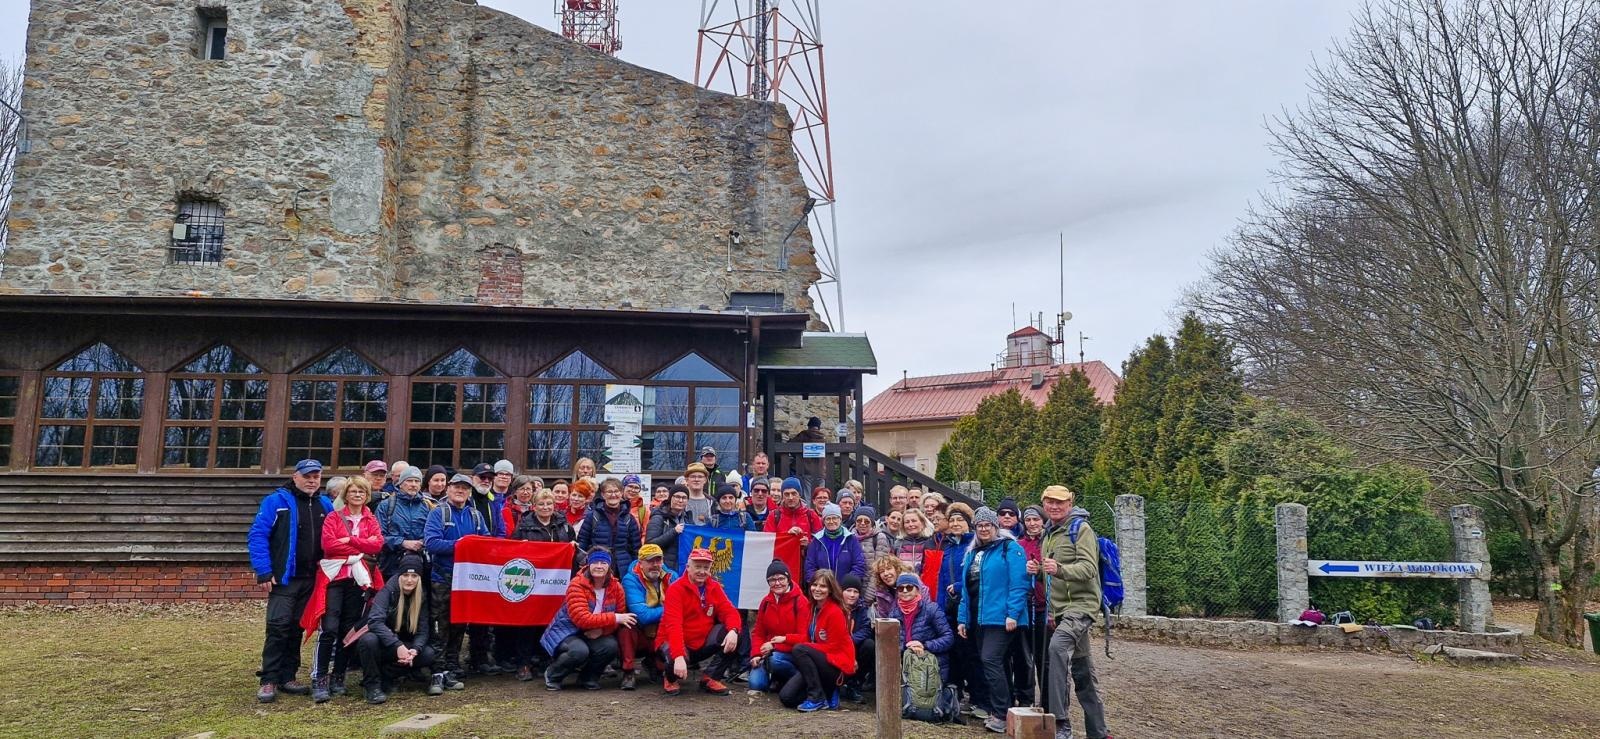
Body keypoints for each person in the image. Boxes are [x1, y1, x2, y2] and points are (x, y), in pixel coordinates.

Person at [248, 458, 332, 703]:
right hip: (285, 579)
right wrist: (263, 570)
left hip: (312, 579)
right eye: (307, 476)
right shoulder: (276, 502)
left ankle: (288, 676)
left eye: (316, 476)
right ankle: (269, 679)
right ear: (295, 476)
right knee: (278, 626)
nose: (312, 481)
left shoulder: (325, 504)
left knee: (298, 627)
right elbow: (258, 535)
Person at [1032, 485, 1109, 739]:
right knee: (1082, 671)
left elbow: (1088, 569)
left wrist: (1060, 569)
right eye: (1050, 502)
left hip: (1082, 606)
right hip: (1061, 611)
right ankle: (1098, 732)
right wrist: (1038, 571)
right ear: (1044, 504)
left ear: (1069, 503)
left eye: (1060, 502)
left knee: (1056, 650)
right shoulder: (1048, 534)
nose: (1055, 507)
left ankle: (1060, 723)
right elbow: (1052, 577)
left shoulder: (1081, 530)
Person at [306, 475, 385, 702]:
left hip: (359, 580)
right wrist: (360, 546)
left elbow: (377, 544)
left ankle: (338, 675)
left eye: (361, 492)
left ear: (366, 495)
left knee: (348, 631)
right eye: (353, 491)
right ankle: (319, 677)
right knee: (329, 627)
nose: (357, 495)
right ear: (346, 495)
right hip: (334, 578)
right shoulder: (333, 517)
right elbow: (328, 546)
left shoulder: (371, 519)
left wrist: (347, 541)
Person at [957, 507, 1031, 732]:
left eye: (987, 525)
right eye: (979, 526)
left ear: (995, 527)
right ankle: (1005, 709)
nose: (983, 529)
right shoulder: (972, 553)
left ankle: (1000, 712)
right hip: (980, 618)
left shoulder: (1010, 548)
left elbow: (1019, 583)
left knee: (990, 659)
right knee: (994, 663)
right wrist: (963, 618)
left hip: (1002, 618)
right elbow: (967, 591)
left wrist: (1013, 613)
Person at [423, 474, 492, 686]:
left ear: (469, 492)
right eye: (456, 487)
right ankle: (439, 667)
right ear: (448, 489)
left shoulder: (476, 516)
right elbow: (432, 543)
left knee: (459, 623)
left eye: (465, 488)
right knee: (440, 625)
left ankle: (453, 664)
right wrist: (461, 546)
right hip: (442, 579)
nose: (460, 491)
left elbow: (486, 541)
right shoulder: (438, 513)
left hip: (466, 581)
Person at [541, 549, 634, 690]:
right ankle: (553, 675)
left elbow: (619, 620)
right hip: (567, 631)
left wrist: (603, 630)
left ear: (609, 566)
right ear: (588, 564)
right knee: (579, 651)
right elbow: (582, 619)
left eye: (603, 563)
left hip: (595, 631)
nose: (599, 566)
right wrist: (615, 617)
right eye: (595, 562)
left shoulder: (617, 587)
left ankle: (588, 678)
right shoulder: (576, 584)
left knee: (610, 646)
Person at [507, 489, 574, 679]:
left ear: (555, 506)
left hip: (555, 583)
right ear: (534, 506)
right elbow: (512, 552)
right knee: (527, 623)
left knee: (551, 622)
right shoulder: (524, 527)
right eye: (542, 504)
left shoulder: (564, 526)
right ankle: (524, 663)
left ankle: (546, 660)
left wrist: (573, 548)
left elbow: (573, 548)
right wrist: (522, 546)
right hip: (530, 583)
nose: (545, 508)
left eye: (549, 504)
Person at [657, 547, 744, 696]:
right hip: (674, 641)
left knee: (735, 635)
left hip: (701, 642)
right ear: (688, 567)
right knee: (674, 659)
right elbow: (673, 625)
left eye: (706, 567)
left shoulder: (714, 587)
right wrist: (678, 656)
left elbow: (729, 611)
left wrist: (734, 630)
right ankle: (670, 678)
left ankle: (710, 677)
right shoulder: (675, 589)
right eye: (697, 567)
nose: (702, 571)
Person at [355, 553, 439, 703]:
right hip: (384, 644)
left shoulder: (422, 596)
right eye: (405, 575)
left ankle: (386, 675)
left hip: (402, 646)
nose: (409, 580)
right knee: (368, 640)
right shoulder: (388, 591)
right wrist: (397, 645)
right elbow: (374, 621)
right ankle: (372, 686)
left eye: (414, 576)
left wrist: (415, 650)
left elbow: (423, 629)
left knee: (427, 654)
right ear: (399, 575)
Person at [778, 569, 856, 711]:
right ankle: (827, 692)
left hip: (837, 665)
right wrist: (785, 638)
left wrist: (806, 647)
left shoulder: (835, 612)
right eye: (815, 585)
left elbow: (834, 647)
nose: (817, 589)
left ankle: (817, 697)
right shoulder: (812, 607)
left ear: (830, 590)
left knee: (799, 649)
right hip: (819, 660)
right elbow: (808, 638)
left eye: (823, 586)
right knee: (787, 698)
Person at [938, 504, 979, 716]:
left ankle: (977, 696)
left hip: (969, 605)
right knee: (952, 651)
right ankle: (956, 694)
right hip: (949, 607)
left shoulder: (972, 545)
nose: (955, 524)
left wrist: (959, 588)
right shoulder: (948, 546)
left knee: (970, 652)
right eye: (952, 520)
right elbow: (941, 578)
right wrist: (940, 606)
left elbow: (975, 576)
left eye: (959, 520)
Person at [621, 543, 678, 690]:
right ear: (640, 563)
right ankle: (628, 671)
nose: (655, 565)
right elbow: (643, 616)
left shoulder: (672, 576)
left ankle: (655, 663)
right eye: (650, 561)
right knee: (627, 625)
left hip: (662, 630)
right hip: (639, 632)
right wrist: (670, 609)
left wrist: (671, 611)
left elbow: (682, 607)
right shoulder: (630, 579)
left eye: (658, 560)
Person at [748, 559, 805, 693]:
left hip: (790, 654)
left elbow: (805, 637)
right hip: (767, 653)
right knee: (756, 684)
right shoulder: (766, 602)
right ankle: (777, 678)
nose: (777, 583)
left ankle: (799, 680)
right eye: (772, 580)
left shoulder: (801, 602)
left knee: (776, 661)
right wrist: (756, 654)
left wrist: (775, 646)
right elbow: (758, 632)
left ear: (788, 579)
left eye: (781, 578)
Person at [1012, 505, 1048, 707]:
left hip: (1044, 605)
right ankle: (1025, 700)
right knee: (1023, 657)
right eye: (1028, 520)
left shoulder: (1049, 542)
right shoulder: (1019, 545)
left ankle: (1047, 702)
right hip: (1025, 606)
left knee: (1044, 658)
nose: (1032, 524)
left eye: (1036, 520)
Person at [890, 571, 955, 682]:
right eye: (901, 588)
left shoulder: (932, 609)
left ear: (917, 590)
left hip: (930, 666)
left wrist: (925, 645)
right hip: (905, 664)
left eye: (909, 587)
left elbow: (948, 638)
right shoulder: (893, 614)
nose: (905, 591)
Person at [376, 465, 433, 580]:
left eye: (417, 481)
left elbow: (433, 533)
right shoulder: (386, 505)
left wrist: (422, 542)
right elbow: (378, 537)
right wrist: (402, 542)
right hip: (391, 565)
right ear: (400, 483)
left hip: (420, 564)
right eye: (409, 480)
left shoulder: (428, 506)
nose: (413, 484)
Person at [580, 478, 643, 573]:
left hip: (622, 568)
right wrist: (584, 562)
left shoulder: (629, 518)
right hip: (597, 563)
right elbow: (582, 542)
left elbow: (636, 548)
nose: (613, 495)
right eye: (609, 492)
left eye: (616, 491)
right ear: (603, 494)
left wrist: (635, 568)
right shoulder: (593, 516)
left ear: (621, 493)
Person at [803, 503, 866, 583]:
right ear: (823, 521)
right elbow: (810, 567)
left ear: (840, 519)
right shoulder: (817, 541)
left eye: (835, 518)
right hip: (823, 589)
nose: (831, 521)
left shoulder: (851, 539)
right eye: (828, 519)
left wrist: (848, 584)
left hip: (845, 590)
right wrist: (820, 584)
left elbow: (859, 565)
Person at [765, 477, 823, 547]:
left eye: (794, 493)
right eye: (787, 494)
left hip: (805, 557)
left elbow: (821, 542)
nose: (790, 497)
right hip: (782, 557)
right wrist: (787, 536)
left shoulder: (811, 515)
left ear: (799, 494)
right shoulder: (774, 516)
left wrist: (809, 543)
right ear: (782, 496)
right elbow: (767, 542)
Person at [839, 573, 870, 703]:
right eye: (848, 590)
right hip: (838, 647)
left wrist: (851, 641)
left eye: (855, 591)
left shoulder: (862, 608)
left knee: (869, 645)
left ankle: (855, 684)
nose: (852, 595)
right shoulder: (835, 607)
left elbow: (866, 628)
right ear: (841, 591)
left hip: (854, 645)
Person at [645, 485, 692, 567]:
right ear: (670, 498)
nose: (680, 500)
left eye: (684, 498)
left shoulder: (688, 519)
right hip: (663, 567)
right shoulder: (658, 517)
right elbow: (649, 544)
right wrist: (674, 532)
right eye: (677, 497)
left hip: (682, 566)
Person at [893, 509, 936, 574]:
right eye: (907, 522)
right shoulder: (898, 543)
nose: (910, 524)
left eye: (914, 521)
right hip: (903, 582)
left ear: (922, 522)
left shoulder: (931, 542)